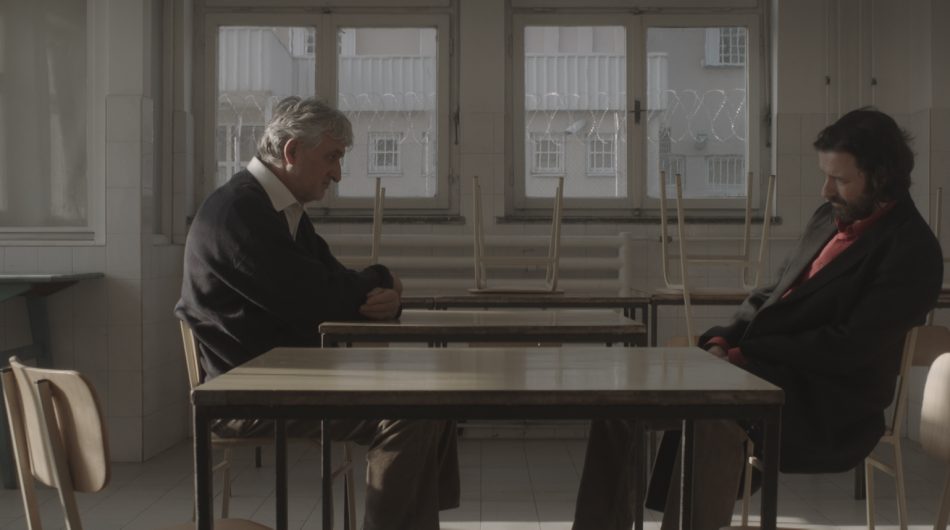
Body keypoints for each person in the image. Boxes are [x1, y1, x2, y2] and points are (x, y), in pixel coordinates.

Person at [572, 107, 944, 530]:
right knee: (619, 406)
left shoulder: (913, 251)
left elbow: (847, 348)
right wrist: (722, 341)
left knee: (712, 415)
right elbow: (771, 294)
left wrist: (743, 356)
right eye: (825, 176)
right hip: (762, 371)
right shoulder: (830, 217)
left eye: (839, 180)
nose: (825, 190)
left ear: (881, 178)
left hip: (826, 403)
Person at [175, 96, 459, 530]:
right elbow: (318, 300)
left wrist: (384, 296)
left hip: (285, 374)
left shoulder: (277, 209)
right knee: (412, 412)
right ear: (292, 152)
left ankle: (412, 521)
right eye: (332, 157)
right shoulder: (239, 213)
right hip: (246, 391)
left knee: (434, 397)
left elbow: (333, 281)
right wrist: (384, 278)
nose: (337, 173)